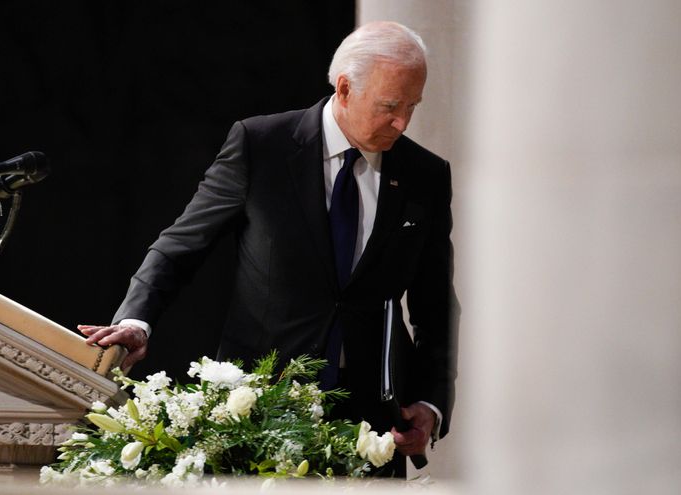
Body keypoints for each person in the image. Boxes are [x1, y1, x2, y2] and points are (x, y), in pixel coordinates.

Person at [78, 21, 459, 475]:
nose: (402, 122)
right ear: (344, 89)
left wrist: (431, 402)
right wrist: (137, 320)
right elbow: (181, 246)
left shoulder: (425, 175)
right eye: (390, 106)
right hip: (254, 411)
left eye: (412, 106)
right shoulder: (262, 146)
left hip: (371, 425)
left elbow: (436, 305)